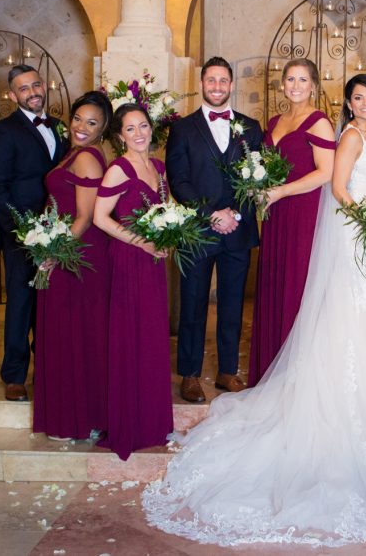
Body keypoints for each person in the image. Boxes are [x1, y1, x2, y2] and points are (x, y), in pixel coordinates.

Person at [141, 74, 366, 547]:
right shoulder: (321, 130)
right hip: (350, 225)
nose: (363, 103)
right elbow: (337, 185)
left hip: (362, 228)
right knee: (346, 301)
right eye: (355, 97)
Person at [165, 57, 263, 403]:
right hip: (199, 230)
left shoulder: (251, 128)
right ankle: (190, 374)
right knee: (192, 303)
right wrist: (210, 214)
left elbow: (257, 177)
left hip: (238, 228)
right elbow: (179, 180)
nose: (217, 86)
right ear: (202, 83)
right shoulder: (183, 128)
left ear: (232, 84)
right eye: (211, 81)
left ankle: (227, 371)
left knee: (233, 304)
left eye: (223, 81)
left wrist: (233, 214)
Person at [247, 58, 335, 386]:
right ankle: (271, 367)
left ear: (313, 85)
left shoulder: (319, 122)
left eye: (302, 80)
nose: (295, 86)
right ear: (282, 84)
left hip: (302, 211)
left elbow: (325, 172)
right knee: (274, 281)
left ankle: (296, 375)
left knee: (297, 285)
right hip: (275, 213)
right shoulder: (275, 121)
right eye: (290, 80)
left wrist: (281, 191)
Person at [93, 103, 173, 460]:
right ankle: (131, 424)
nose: (139, 134)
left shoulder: (158, 167)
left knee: (152, 337)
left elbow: (166, 212)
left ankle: (152, 420)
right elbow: (99, 217)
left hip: (154, 264)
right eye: (130, 129)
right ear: (120, 136)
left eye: (143, 126)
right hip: (128, 261)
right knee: (130, 337)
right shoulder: (118, 169)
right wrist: (140, 242)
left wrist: (168, 240)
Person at [32, 91, 112, 441]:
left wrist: (56, 250)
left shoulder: (89, 159)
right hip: (67, 252)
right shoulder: (74, 154)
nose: (81, 127)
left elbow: (86, 216)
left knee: (79, 335)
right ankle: (68, 413)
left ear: (103, 128)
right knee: (68, 335)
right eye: (78, 118)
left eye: (91, 122)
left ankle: (83, 416)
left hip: (80, 257)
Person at [0, 64, 69, 402]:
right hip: (22, 233)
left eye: (36, 85)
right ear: (13, 95)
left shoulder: (62, 128)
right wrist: (22, 230)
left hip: (59, 231)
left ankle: (50, 368)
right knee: (21, 303)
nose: (33, 92)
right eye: (24, 88)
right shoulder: (3, 131)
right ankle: (15, 375)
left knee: (52, 302)